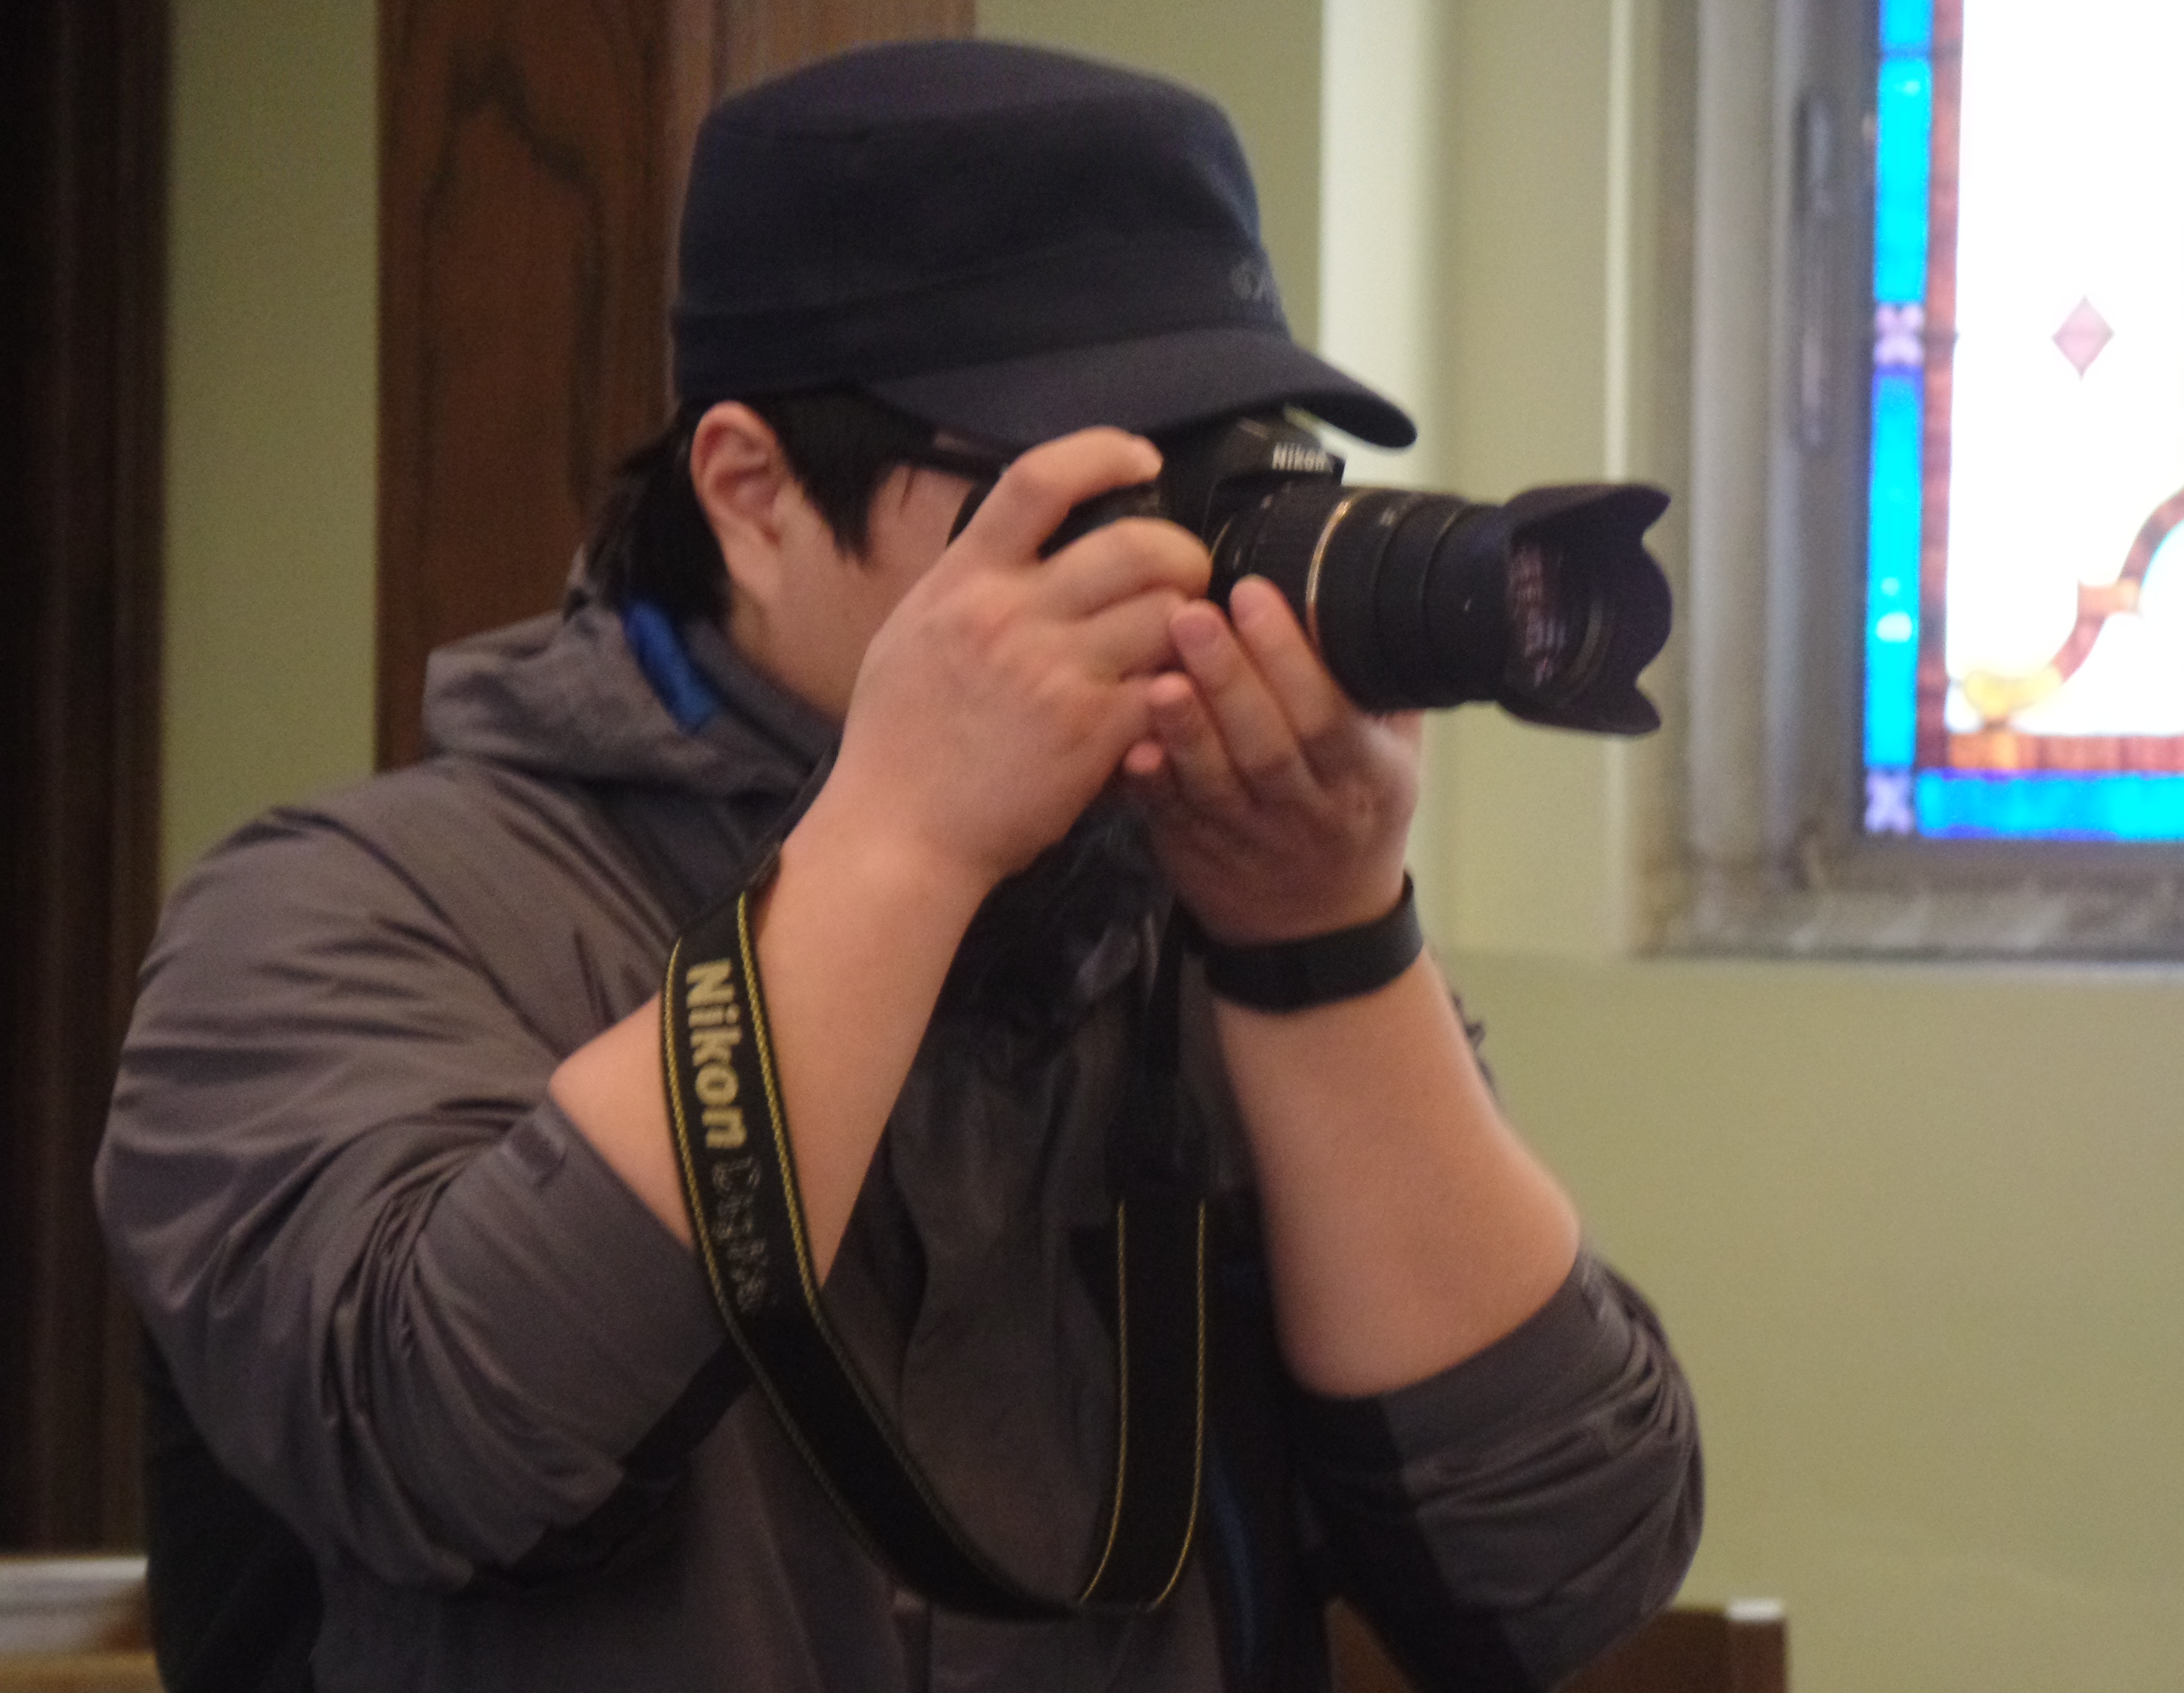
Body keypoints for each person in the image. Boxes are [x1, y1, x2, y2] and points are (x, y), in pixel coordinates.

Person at [97, 37, 1700, 1693]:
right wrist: (907, 838)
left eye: (1235, 471)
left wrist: (1326, 938)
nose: (1181, 567)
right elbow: (453, 1441)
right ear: (752, 489)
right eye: (1092, 491)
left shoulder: (1195, 919)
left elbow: (1559, 1573)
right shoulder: (344, 914)